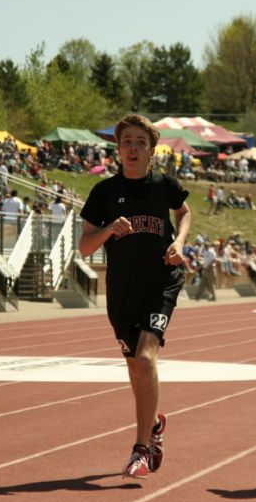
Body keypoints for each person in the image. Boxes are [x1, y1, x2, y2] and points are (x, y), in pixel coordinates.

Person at [78, 113, 192, 479]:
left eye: (140, 142)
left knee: (146, 359)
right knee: (135, 369)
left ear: (151, 150)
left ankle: (141, 448)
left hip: (161, 282)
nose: (132, 148)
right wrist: (110, 228)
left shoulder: (164, 186)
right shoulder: (104, 193)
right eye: (126, 141)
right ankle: (154, 421)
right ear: (118, 149)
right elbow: (84, 247)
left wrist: (178, 241)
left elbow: (185, 213)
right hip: (123, 291)